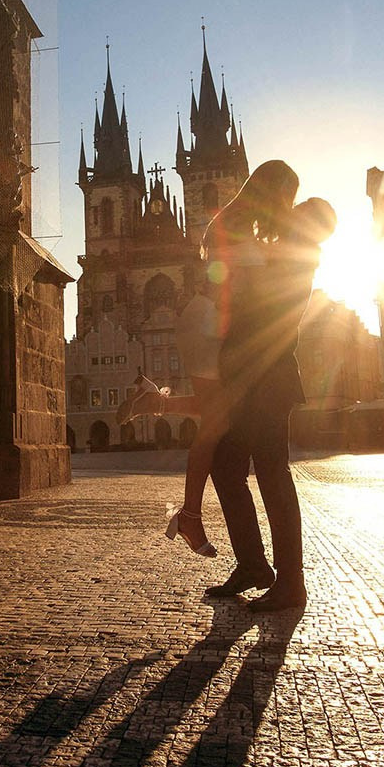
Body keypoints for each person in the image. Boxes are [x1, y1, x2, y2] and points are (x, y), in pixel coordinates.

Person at [117, 160, 300, 557]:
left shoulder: (233, 220)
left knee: (217, 409)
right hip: (208, 323)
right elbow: (241, 286)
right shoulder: (238, 226)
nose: (287, 206)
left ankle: (154, 404)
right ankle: (190, 515)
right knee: (214, 426)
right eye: (287, 197)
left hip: (203, 319)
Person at [206, 195, 337, 611]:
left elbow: (256, 304)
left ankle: (290, 583)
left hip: (267, 383)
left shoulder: (296, 259)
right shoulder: (285, 254)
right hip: (254, 381)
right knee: (228, 467)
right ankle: (254, 566)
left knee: (272, 477)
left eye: (296, 216)